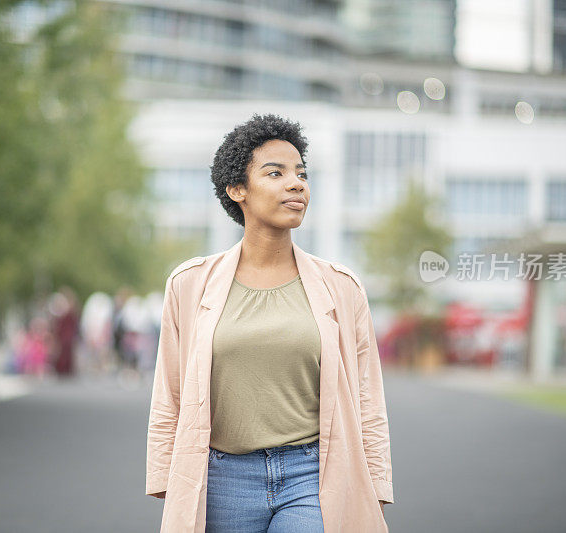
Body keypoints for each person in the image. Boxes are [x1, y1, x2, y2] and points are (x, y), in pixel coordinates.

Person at [146, 114, 394, 532]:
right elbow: (169, 394)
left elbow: (368, 400)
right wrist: (169, 482)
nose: (296, 183)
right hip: (221, 478)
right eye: (275, 173)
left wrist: (375, 485)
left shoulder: (342, 287)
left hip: (313, 477)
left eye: (301, 173)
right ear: (237, 189)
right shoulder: (189, 284)